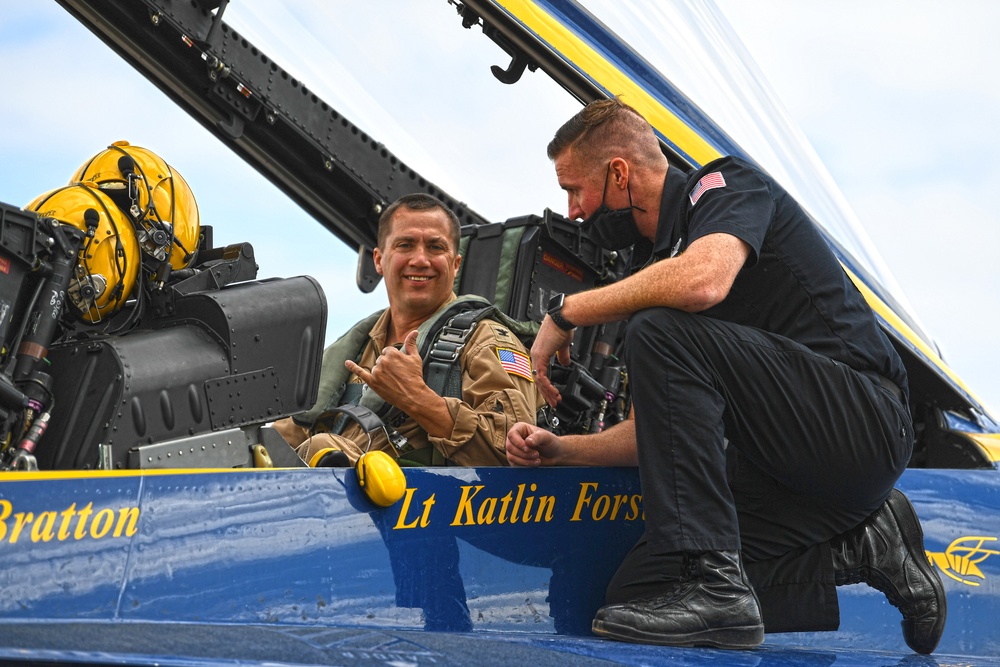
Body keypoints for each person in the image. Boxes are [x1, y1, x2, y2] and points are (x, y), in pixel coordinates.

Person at [506, 98, 946, 653]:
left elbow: (704, 282)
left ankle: (716, 588)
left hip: (863, 426)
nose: (570, 210)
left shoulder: (722, 187)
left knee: (657, 327)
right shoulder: (653, 269)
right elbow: (656, 433)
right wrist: (563, 450)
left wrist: (566, 312)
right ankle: (866, 549)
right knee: (632, 596)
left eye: (575, 189)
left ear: (619, 172)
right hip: (785, 469)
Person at [276, 193, 541, 467]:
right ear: (379, 259)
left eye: (436, 247)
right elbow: (284, 437)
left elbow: (518, 453)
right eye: (405, 245)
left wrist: (419, 399)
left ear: (455, 264)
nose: (420, 260)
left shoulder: (484, 341)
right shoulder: (352, 350)